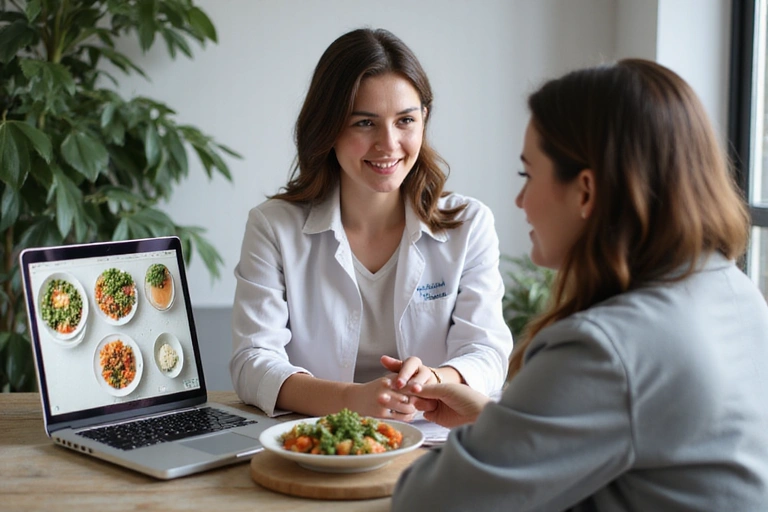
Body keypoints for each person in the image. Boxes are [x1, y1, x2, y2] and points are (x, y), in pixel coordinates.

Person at [392, 59, 768, 511]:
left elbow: (430, 501)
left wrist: (495, 439)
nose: (520, 201)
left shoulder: (604, 349)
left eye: (527, 175)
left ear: (586, 191)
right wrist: (498, 423)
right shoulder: (733, 289)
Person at [229, 28, 513, 419]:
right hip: (320, 442)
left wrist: (434, 379)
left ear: (424, 120)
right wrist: (351, 400)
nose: (388, 144)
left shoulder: (469, 224)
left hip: (433, 444)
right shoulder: (272, 227)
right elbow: (252, 362)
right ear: (328, 128)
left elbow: (488, 353)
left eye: (405, 120)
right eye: (364, 123)